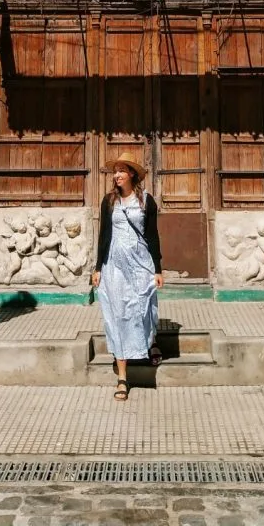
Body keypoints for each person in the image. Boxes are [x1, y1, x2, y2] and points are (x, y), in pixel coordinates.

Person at [92, 153, 163, 402]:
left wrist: (158, 268)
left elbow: (153, 235)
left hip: (141, 263)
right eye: (115, 171)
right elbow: (103, 234)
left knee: (145, 307)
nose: (116, 175)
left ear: (132, 174)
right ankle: (122, 376)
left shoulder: (146, 202)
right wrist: (97, 267)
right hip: (114, 266)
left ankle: (150, 341)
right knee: (118, 313)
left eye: (121, 170)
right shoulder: (109, 201)